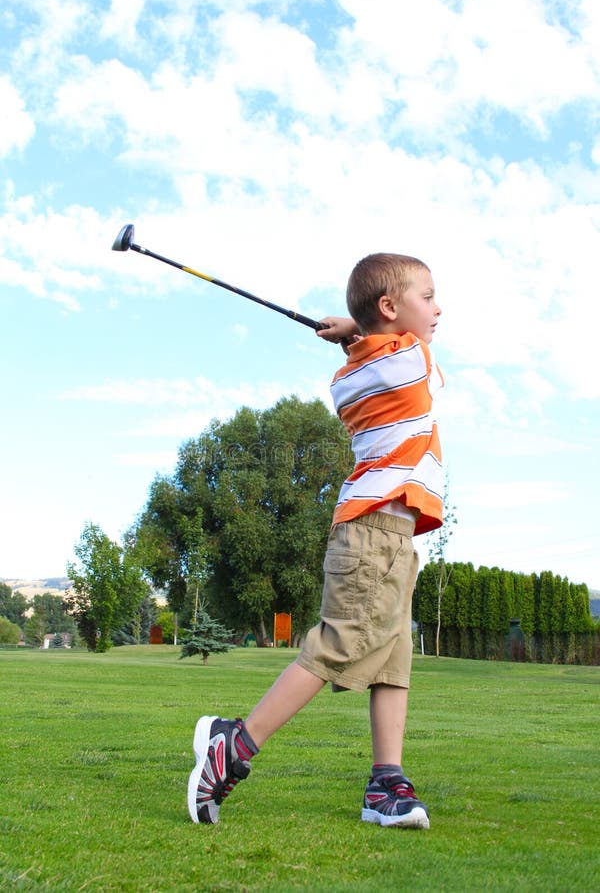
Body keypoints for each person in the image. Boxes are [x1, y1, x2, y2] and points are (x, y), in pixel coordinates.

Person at [187, 252, 444, 829]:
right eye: (427, 297)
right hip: (374, 533)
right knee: (335, 644)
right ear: (389, 308)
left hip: (391, 537)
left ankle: (386, 785)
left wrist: (358, 330)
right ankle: (235, 747)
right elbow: (411, 349)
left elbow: (379, 339)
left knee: (392, 662)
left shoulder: (355, 373)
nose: (438, 309)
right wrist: (357, 328)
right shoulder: (410, 362)